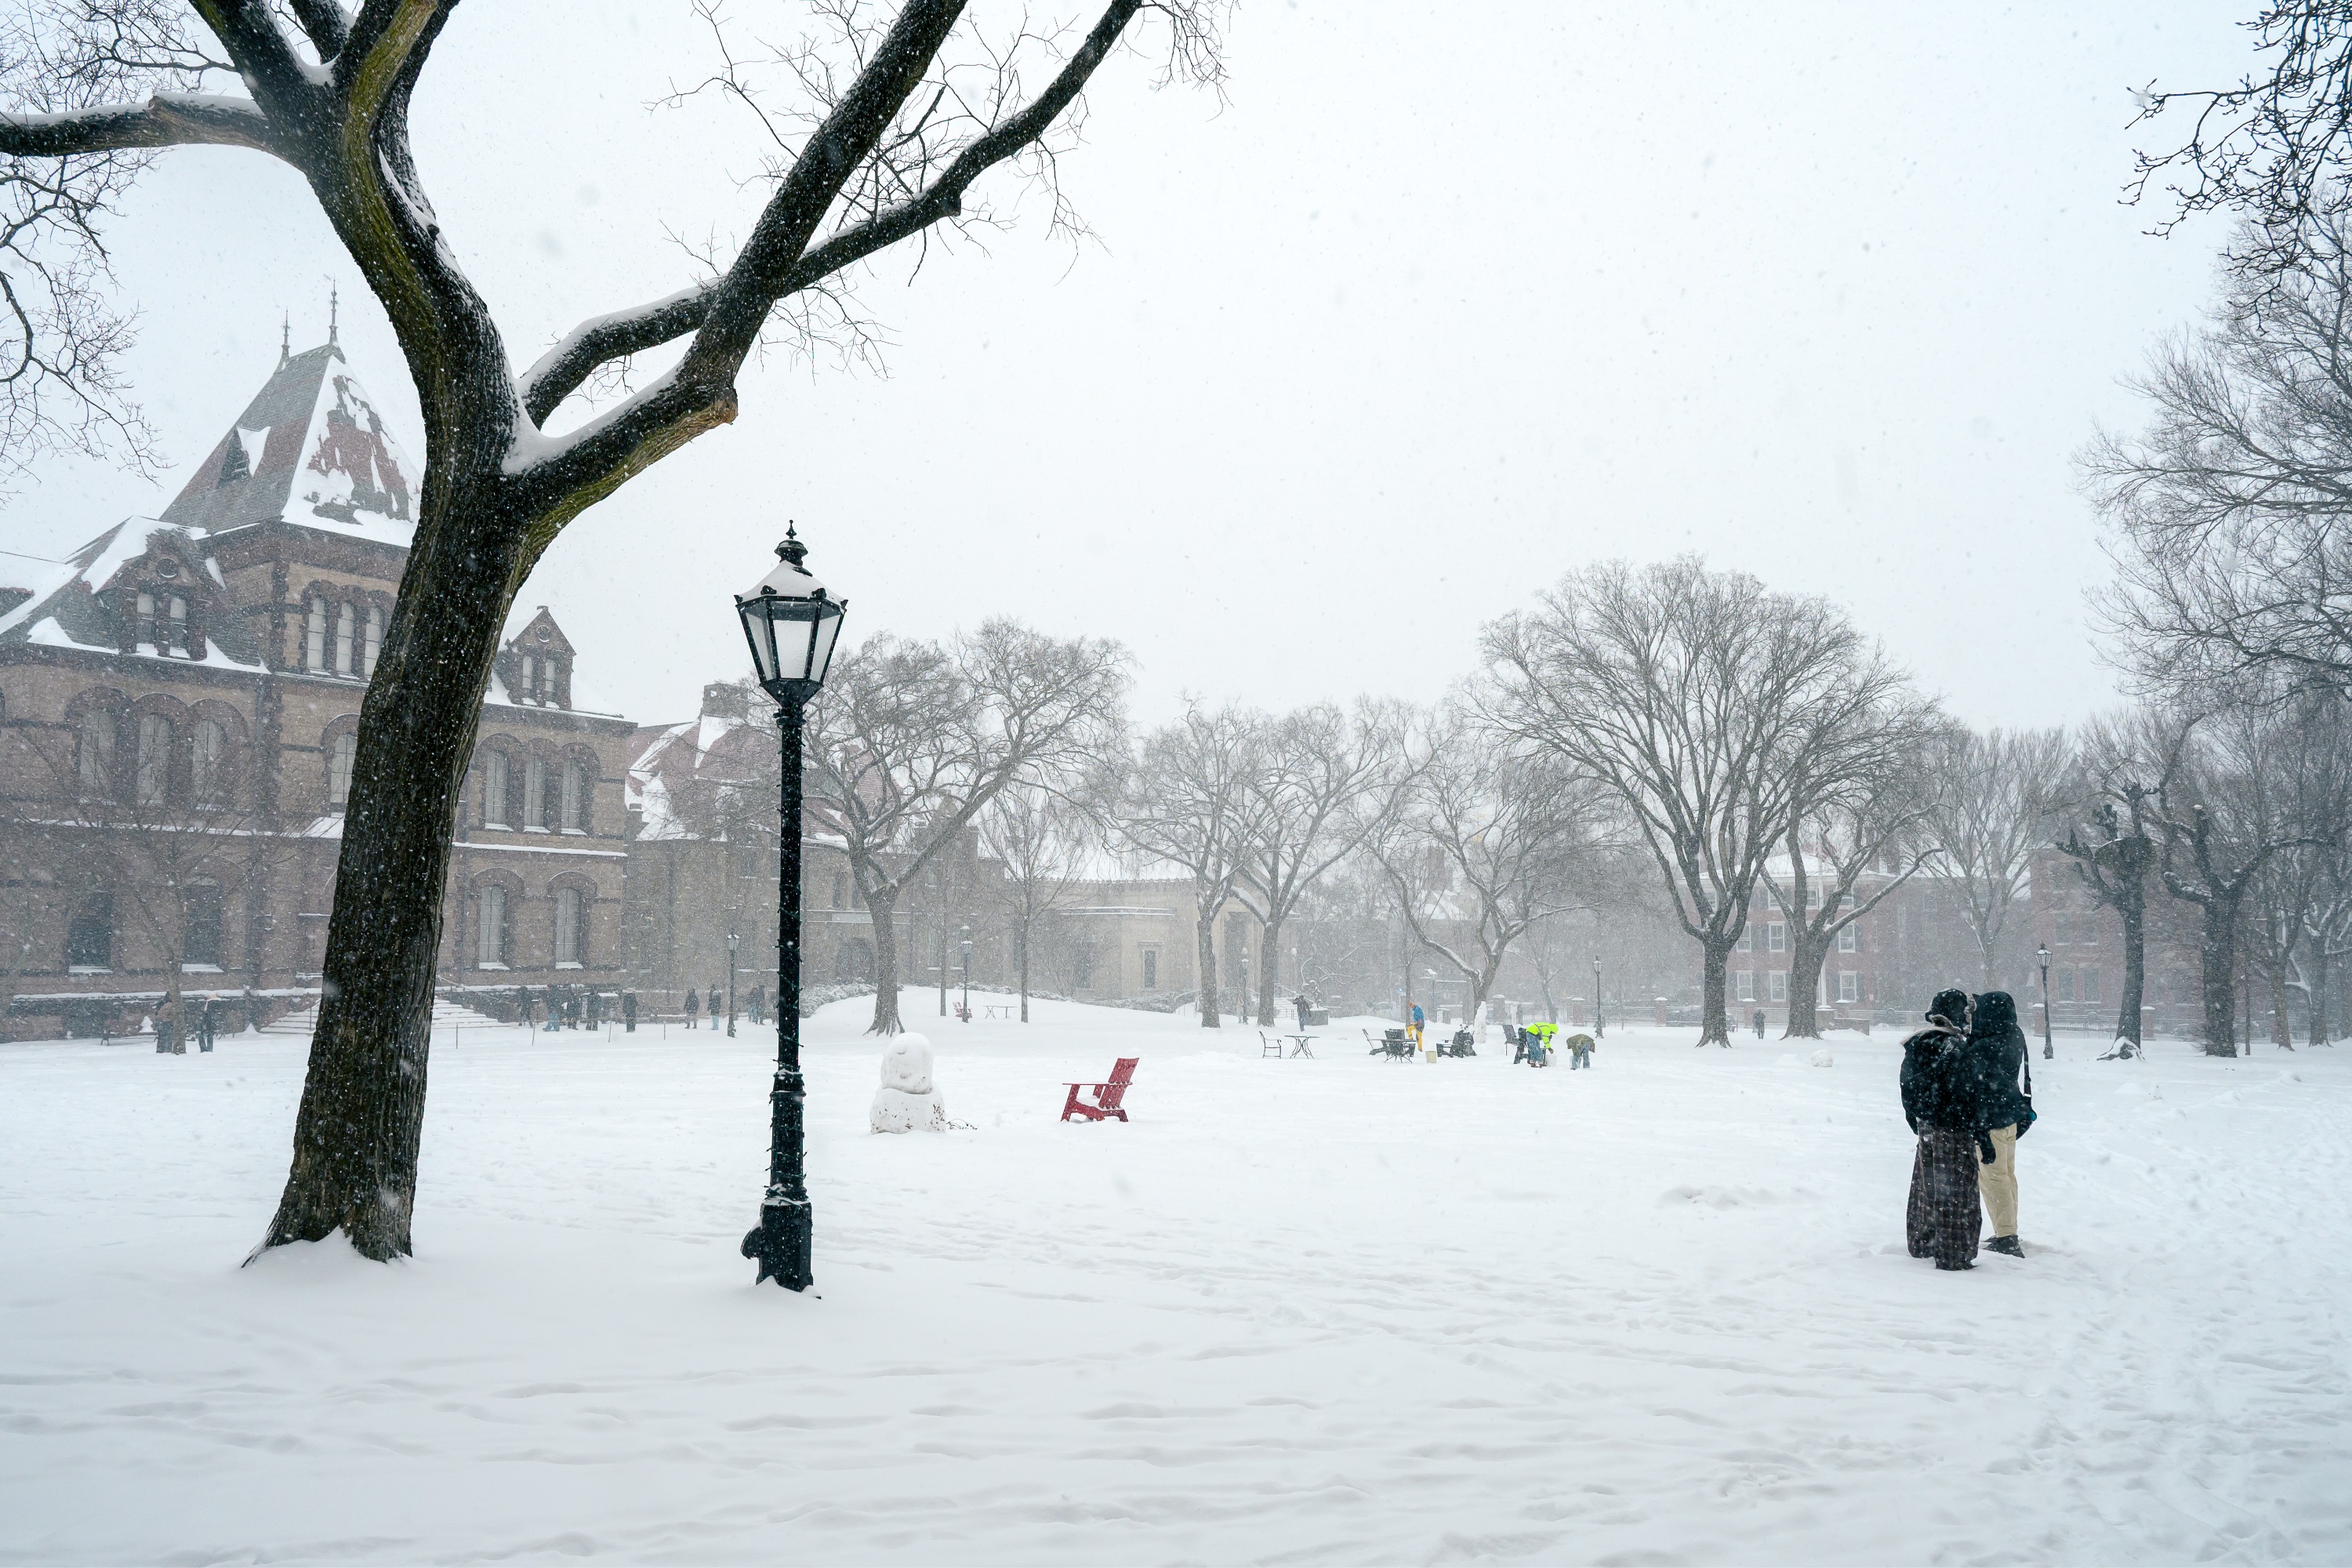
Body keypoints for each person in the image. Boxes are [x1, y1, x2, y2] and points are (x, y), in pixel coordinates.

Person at [1901, 988, 1991, 1272]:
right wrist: (1982, 1135)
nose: (1968, 1018)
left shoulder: (1919, 1043)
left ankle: (1922, 1242)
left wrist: (1916, 1116)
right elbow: (1968, 1097)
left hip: (1927, 1129)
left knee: (1927, 1188)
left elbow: (1907, 1086)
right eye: (1964, 1012)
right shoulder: (1957, 1049)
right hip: (1954, 1131)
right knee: (1957, 1194)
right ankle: (1954, 1255)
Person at [1968, 991, 2036, 1258]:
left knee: (1994, 1178)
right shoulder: (2014, 1034)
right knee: (2007, 1175)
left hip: (1990, 1121)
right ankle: (2006, 1229)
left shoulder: (1986, 1045)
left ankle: (2007, 1237)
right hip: (2010, 1115)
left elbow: (1973, 1073)